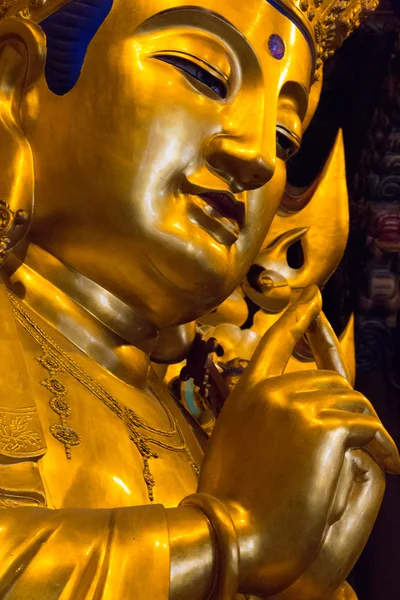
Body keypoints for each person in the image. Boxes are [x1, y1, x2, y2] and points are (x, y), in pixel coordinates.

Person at [0, 0, 393, 598]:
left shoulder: (203, 428)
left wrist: (294, 583)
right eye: (205, 73)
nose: (259, 157)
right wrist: (228, 542)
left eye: (285, 137)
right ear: (18, 81)